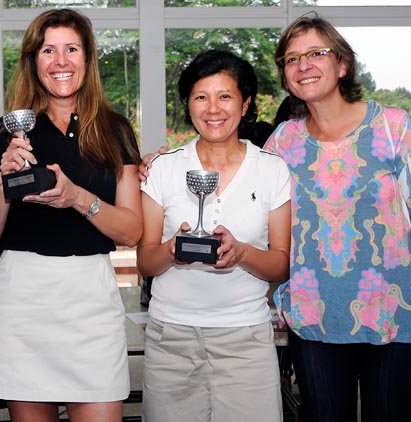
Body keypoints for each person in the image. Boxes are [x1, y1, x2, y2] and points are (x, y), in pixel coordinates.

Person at [263, 15, 411, 421]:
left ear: (342, 64)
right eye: (291, 58)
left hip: (395, 321)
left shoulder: (394, 128)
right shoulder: (282, 143)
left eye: (316, 53)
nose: (303, 65)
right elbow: (252, 208)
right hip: (313, 324)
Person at [0, 8, 142, 422]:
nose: (61, 61)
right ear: (33, 60)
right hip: (22, 299)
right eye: (48, 50)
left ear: (88, 58)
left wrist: (78, 197)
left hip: (90, 298)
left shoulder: (115, 130)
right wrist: (9, 183)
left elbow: (132, 230)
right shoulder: (6, 132)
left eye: (71, 49)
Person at [137, 49, 291, 422]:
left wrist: (242, 253)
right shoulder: (163, 168)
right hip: (170, 337)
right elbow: (145, 261)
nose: (213, 108)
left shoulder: (272, 170)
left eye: (225, 96)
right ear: (188, 105)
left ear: (245, 103)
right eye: (201, 97)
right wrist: (173, 251)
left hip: (245, 340)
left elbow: (281, 265)